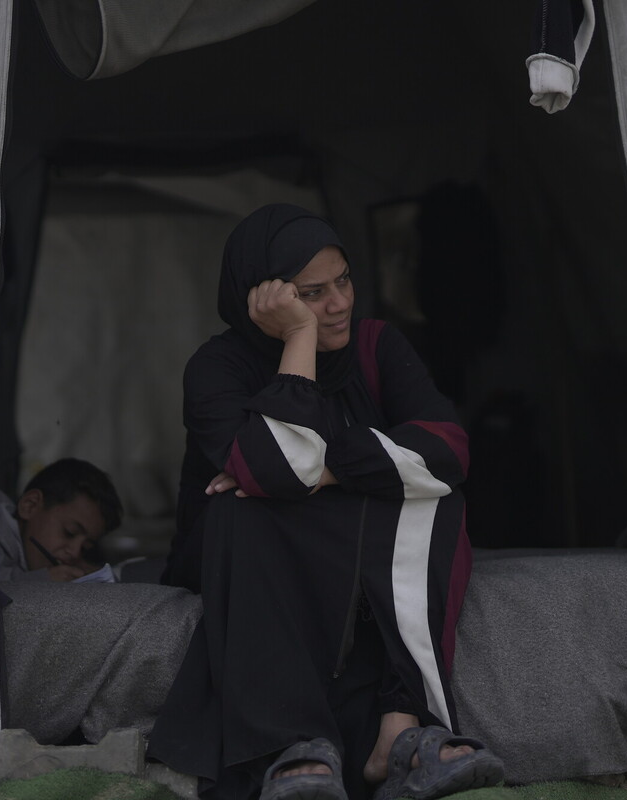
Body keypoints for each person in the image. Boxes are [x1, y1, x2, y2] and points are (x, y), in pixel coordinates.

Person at [147, 205, 503, 800]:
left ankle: (402, 725)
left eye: (344, 281)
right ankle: (292, 741)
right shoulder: (216, 369)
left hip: (346, 533)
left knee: (438, 501)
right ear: (262, 298)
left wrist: (331, 471)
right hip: (242, 547)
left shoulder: (376, 345)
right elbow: (281, 473)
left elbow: (447, 451)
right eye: (312, 293)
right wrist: (300, 339)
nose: (338, 304)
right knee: (245, 507)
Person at [0, 457, 124, 583]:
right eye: (69, 532)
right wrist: (44, 580)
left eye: (84, 548)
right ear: (30, 505)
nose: (75, 553)